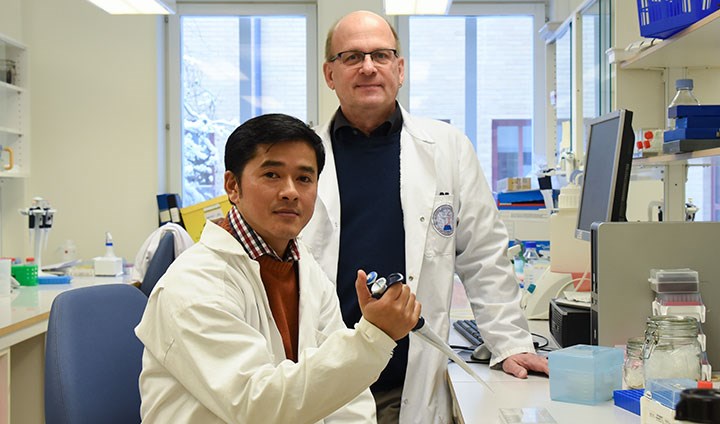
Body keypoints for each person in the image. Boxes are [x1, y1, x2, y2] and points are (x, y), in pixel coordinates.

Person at [301, 11, 549, 423]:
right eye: (351, 57)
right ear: (330, 73)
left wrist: (510, 343)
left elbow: (483, 255)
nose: (368, 67)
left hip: (406, 384)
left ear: (400, 69)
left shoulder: (446, 147)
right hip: (324, 380)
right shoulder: (304, 154)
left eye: (381, 55)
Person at [135, 113, 422, 423]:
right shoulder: (193, 285)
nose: (291, 191)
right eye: (272, 174)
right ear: (233, 186)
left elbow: (347, 396)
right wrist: (374, 337)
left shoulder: (305, 268)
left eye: (304, 178)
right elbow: (258, 406)